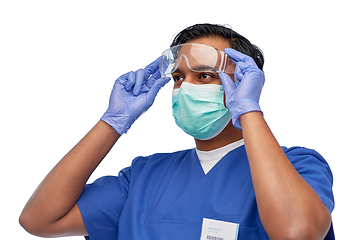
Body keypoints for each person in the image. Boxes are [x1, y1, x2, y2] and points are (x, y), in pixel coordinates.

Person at [19, 23, 335, 240]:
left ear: (242, 83)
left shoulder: (299, 165)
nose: (185, 88)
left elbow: (297, 232)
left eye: (206, 76)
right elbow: (39, 219)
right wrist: (113, 122)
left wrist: (249, 109)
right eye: (178, 78)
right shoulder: (143, 176)